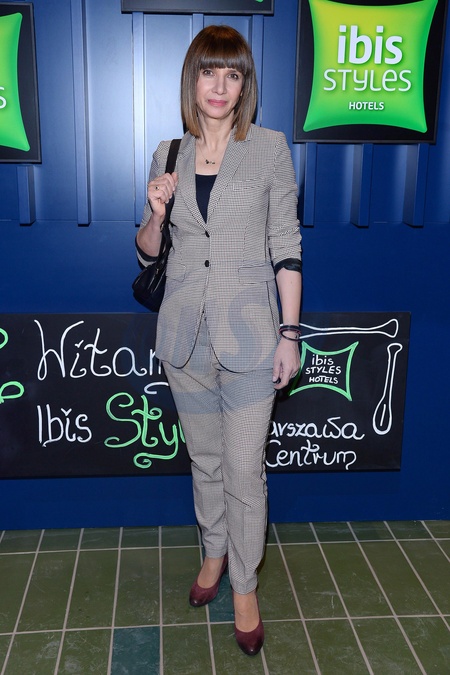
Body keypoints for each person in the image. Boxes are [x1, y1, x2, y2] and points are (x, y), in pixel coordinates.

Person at [136, 24, 302, 657]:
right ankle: (212, 554)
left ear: (244, 85)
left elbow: (286, 246)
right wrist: (156, 214)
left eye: (233, 74)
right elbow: (147, 250)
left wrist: (290, 334)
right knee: (205, 460)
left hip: (253, 338)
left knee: (242, 468)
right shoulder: (167, 153)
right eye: (209, 71)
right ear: (193, 79)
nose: (220, 85)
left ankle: (244, 584)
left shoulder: (269, 149)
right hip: (186, 338)